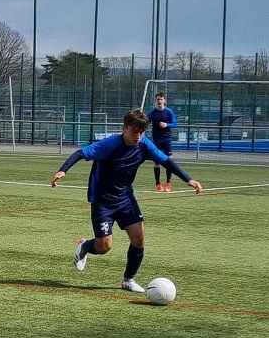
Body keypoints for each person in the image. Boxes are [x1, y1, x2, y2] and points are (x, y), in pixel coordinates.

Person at [51, 108, 203, 293]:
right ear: (124, 128)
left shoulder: (144, 145)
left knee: (139, 239)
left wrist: (188, 179)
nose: (138, 136)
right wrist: (63, 170)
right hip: (102, 200)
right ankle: (84, 246)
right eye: (134, 131)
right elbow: (80, 153)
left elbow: (166, 161)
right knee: (104, 246)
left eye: (142, 132)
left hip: (125, 199)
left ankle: (128, 280)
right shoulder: (110, 144)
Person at [147, 91, 178, 191]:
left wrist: (166, 124)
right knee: (157, 162)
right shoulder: (152, 112)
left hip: (167, 139)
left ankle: (168, 182)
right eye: (158, 99)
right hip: (156, 140)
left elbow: (174, 123)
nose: (159, 101)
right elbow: (146, 122)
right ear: (155, 101)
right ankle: (158, 184)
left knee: (169, 160)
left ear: (164, 100)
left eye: (161, 99)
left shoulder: (169, 112)